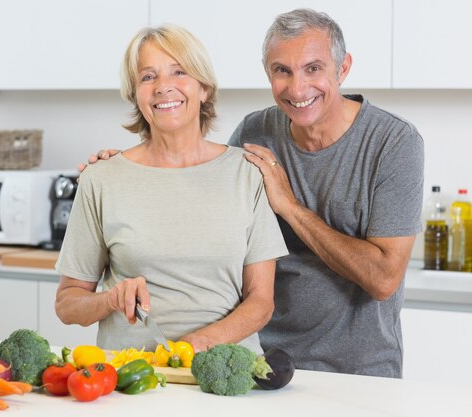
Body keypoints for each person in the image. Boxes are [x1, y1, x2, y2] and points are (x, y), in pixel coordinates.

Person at [83, 8, 424, 378]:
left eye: (313, 68)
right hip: (259, 358)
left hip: (356, 367)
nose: (297, 88)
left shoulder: (393, 142)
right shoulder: (256, 132)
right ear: (268, 73)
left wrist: (290, 208)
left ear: (342, 69)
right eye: (282, 70)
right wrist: (123, 169)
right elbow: (197, 193)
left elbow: (383, 280)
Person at [55, 23, 288, 354]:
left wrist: (197, 345)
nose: (163, 87)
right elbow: (67, 304)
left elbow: (261, 301)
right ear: (135, 93)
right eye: (148, 77)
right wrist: (110, 300)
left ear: (204, 88)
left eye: (179, 72)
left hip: (224, 372)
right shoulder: (102, 178)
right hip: (132, 378)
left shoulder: (247, 173)